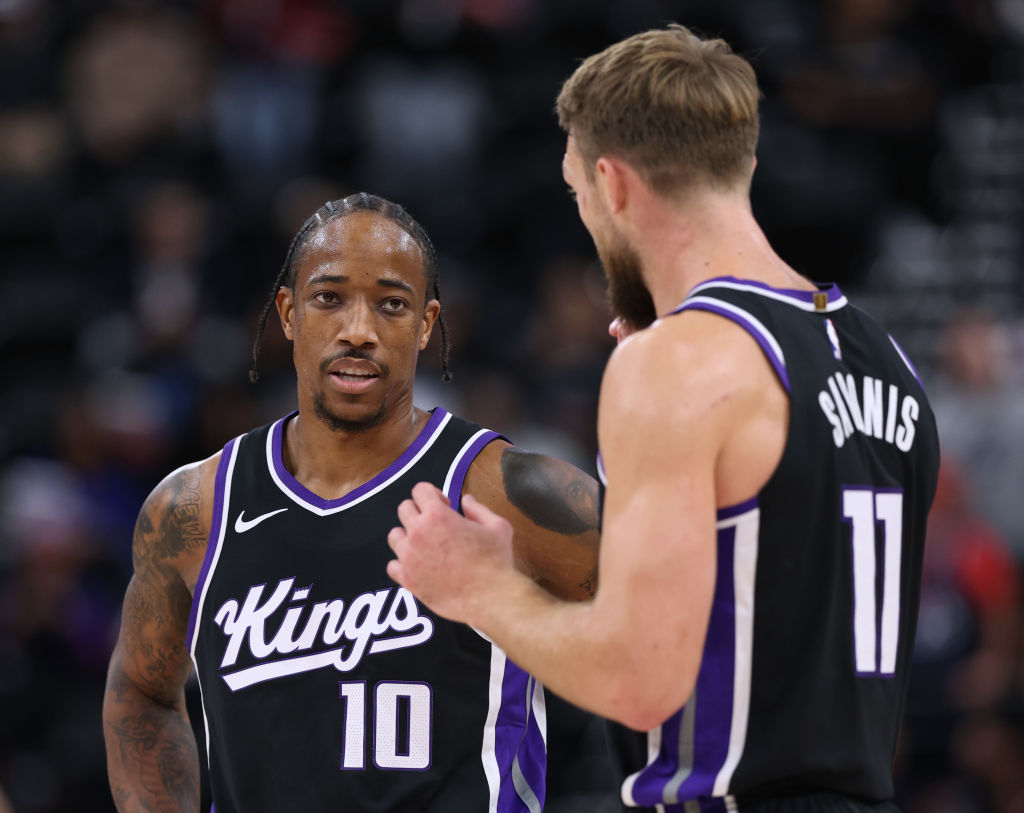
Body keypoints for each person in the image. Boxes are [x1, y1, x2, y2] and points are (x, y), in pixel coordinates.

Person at [387, 24, 941, 812]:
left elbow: (638, 680)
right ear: (742, 163)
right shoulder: (889, 360)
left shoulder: (676, 365)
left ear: (612, 185)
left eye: (578, 194)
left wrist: (478, 586)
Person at [101, 193, 602, 812]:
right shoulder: (194, 508)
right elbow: (141, 692)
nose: (358, 330)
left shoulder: (508, 493)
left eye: (392, 305)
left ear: (426, 323)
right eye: (329, 298)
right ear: (288, 313)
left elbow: (678, 638)